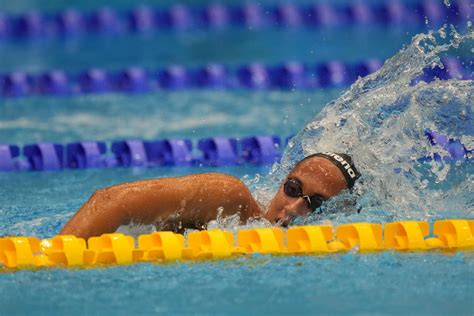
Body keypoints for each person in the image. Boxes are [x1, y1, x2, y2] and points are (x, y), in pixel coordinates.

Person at [60, 152, 360, 239]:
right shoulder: (229, 200)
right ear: (282, 181)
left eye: (315, 203)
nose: (294, 207)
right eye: (293, 189)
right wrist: (51, 256)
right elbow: (111, 202)